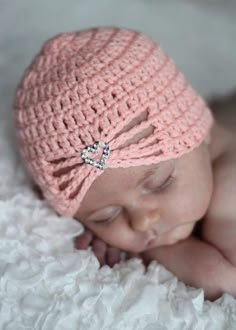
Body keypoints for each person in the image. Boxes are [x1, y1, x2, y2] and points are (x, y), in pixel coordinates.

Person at [13, 27, 236, 301]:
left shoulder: (230, 182)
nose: (142, 222)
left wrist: (148, 251)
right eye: (105, 217)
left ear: (202, 133)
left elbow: (225, 282)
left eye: (160, 184)